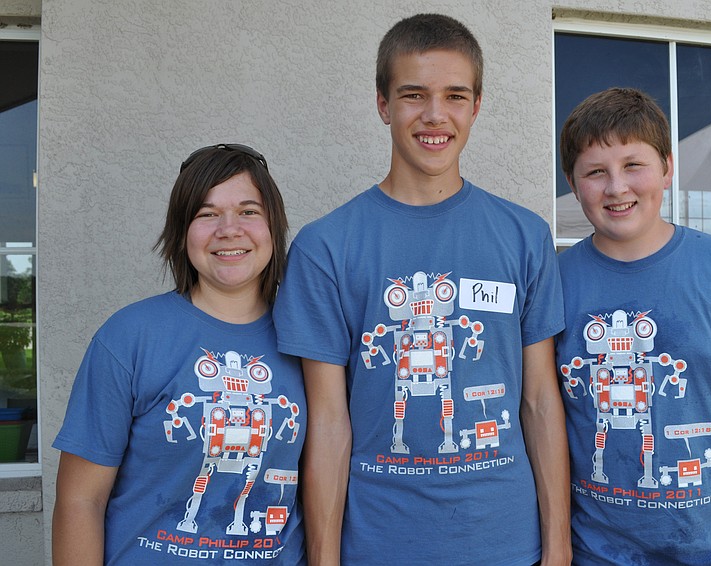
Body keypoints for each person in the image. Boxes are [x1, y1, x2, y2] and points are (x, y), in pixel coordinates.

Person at [273, 13, 571, 566]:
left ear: (476, 106)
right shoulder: (326, 247)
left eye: (455, 96)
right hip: (377, 546)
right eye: (413, 95)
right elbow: (330, 424)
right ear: (384, 105)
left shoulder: (525, 235)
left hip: (506, 545)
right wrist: (323, 557)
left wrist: (557, 548)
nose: (435, 116)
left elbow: (539, 402)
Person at [556, 87, 711, 565]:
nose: (616, 187)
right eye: (595, 172)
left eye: (634, 165)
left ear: (668, 168)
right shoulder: (554, 284)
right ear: (573, 184)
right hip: (594, 555)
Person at [52, 144, 306, 565]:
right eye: (207, 214)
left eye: (248, 211)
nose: (229, 229)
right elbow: (81, 501)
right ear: (181, 230)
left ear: (273, 226)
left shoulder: (309, 342)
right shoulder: (130, 338)